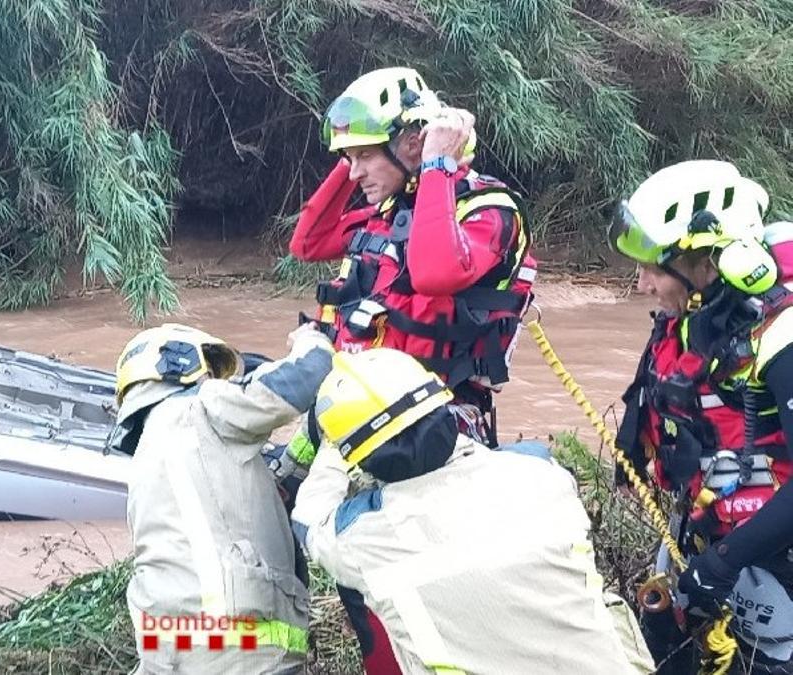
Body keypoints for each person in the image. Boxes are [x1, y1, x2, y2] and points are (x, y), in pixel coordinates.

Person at [273, 66, 536, 673]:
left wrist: (437, 163)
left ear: (413, 141)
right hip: (363, 423)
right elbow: (307, 242)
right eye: (350, 159)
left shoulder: (488, 209)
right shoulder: (387, 209)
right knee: (363, 582)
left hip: (436, 432)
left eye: (365, 156)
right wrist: (359, 157)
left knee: (426, 582)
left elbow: (440, 272)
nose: (354, 173)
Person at [290, 347, 655, 674]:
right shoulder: (542, 474)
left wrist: (331, 447)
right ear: (443, 408)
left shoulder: (363, 539)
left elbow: (309, 519)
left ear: (361, 456)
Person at [609, 159, 793, 673]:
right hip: (706, 538)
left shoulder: (781, 333)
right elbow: (660, 386)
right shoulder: (696, 314)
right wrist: (632, 449)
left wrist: (721, 565)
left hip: (768, 558)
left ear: (707, 262)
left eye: (652, 268)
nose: (642, 284)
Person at [109, 321, 334, 674]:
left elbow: (243, 501)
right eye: (212, 371)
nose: (217, 381)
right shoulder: (196, 407)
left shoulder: (154, 449)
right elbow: (301, 378)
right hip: (237, 648)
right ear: (181, 364)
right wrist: (313, 340)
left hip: (165, 650)